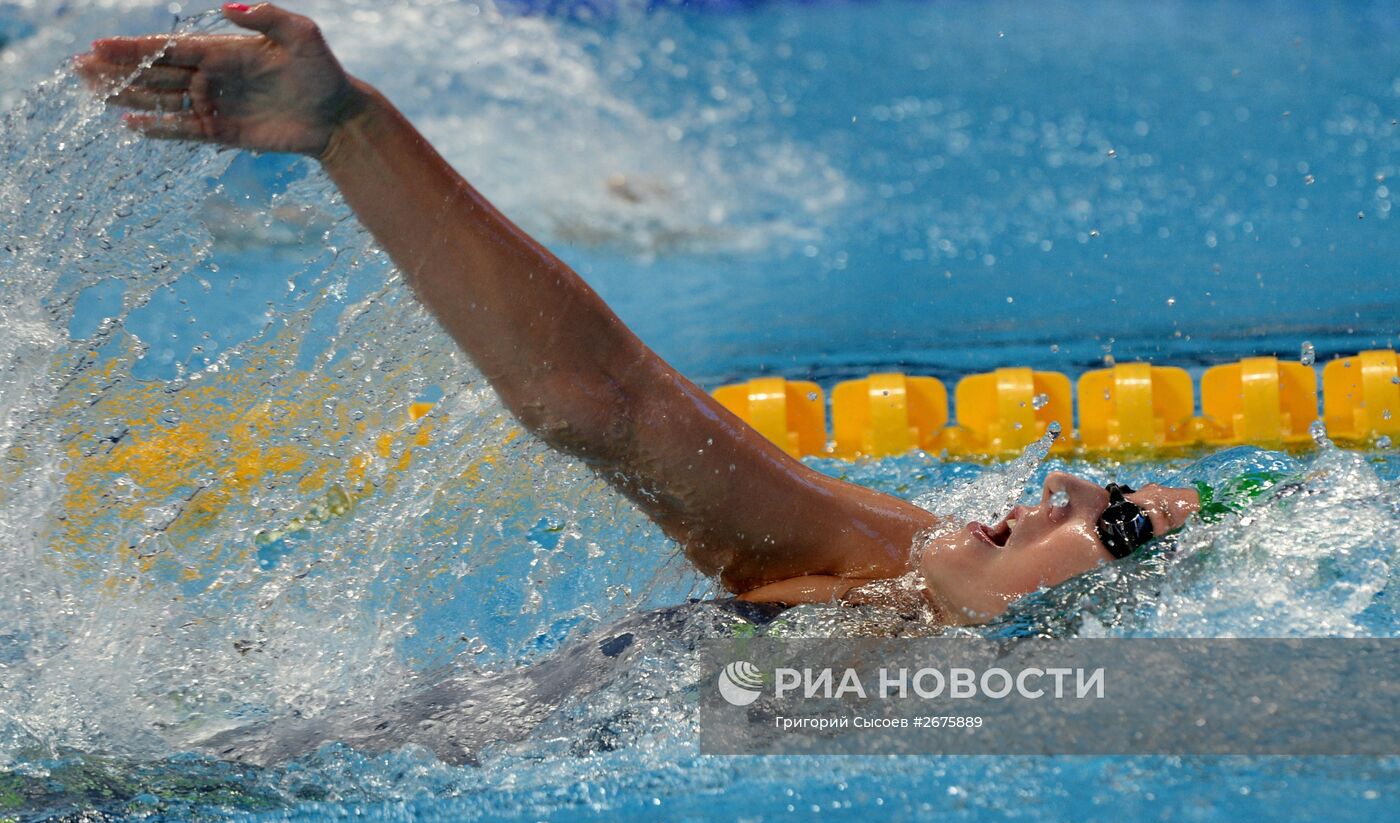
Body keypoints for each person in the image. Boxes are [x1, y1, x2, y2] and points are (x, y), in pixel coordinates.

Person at [75, 3, 1199, 628]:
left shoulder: (931, 648)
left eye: (1115, 526)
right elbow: (603, 402)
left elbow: (598, 404)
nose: (1062, 487)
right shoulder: (891, 568)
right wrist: (351, 130)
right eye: (1108, 489)